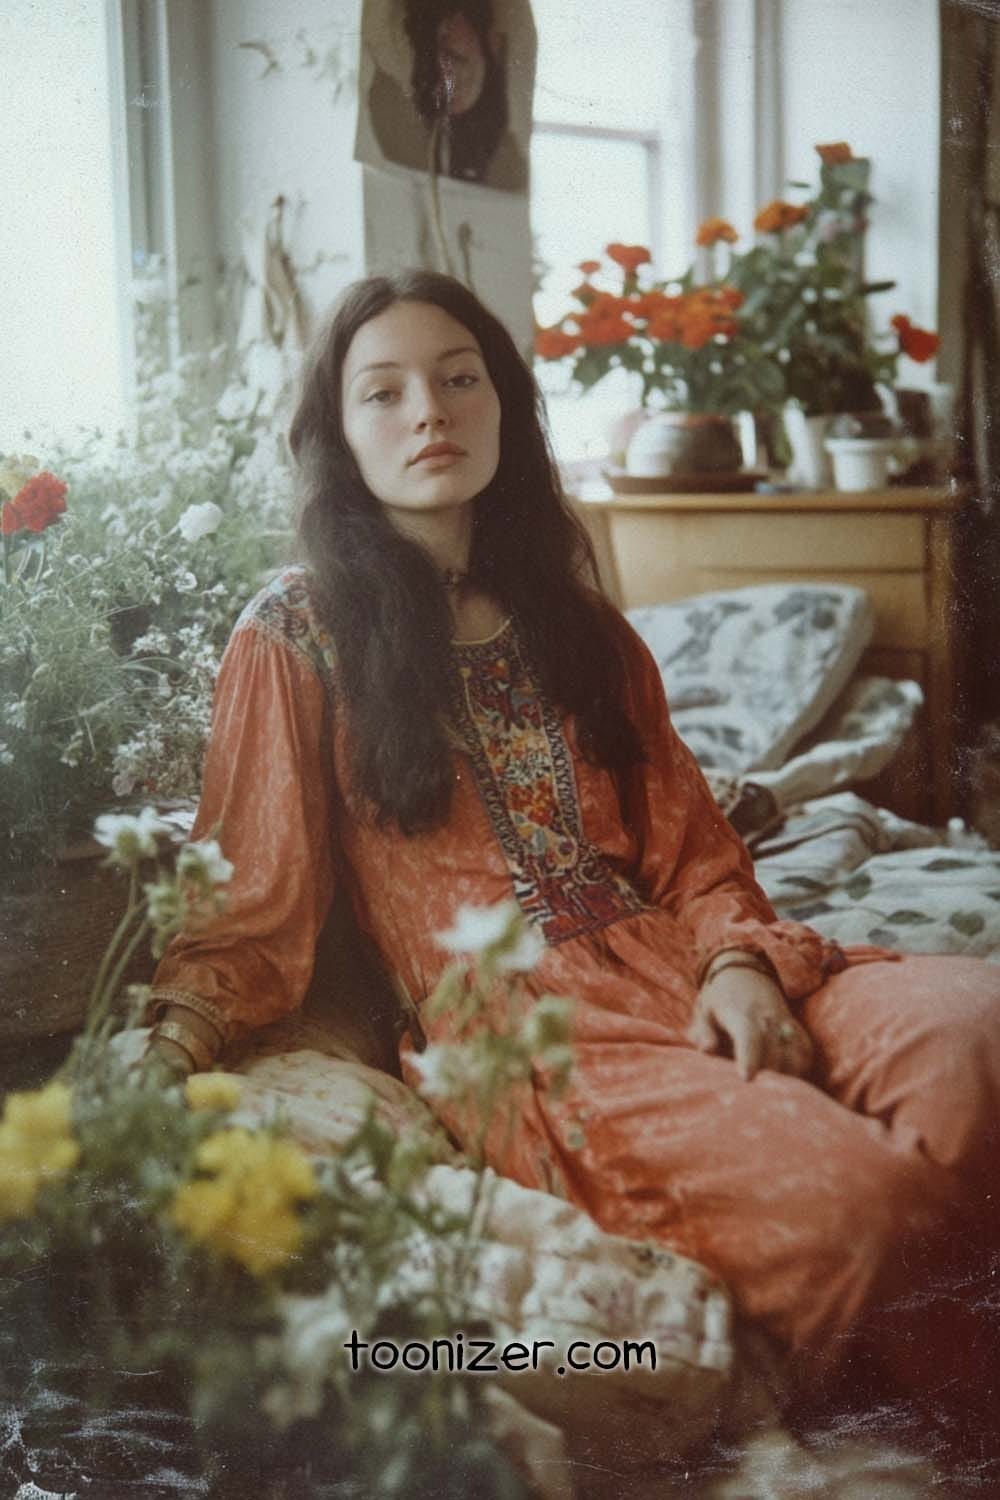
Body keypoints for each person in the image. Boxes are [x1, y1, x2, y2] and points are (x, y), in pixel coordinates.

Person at [146, 269, 1000, 1423]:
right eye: (383, 393)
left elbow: (696, 850)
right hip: (536, 1033)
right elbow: (249, 905)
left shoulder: (579, 621)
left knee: (975, 1043)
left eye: (459, 380)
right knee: (871, 1211)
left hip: (685, 959)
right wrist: (165, 1049)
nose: (430, 414)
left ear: (504, 402)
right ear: (340, 438)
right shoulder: (292, 633)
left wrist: (742, 966)